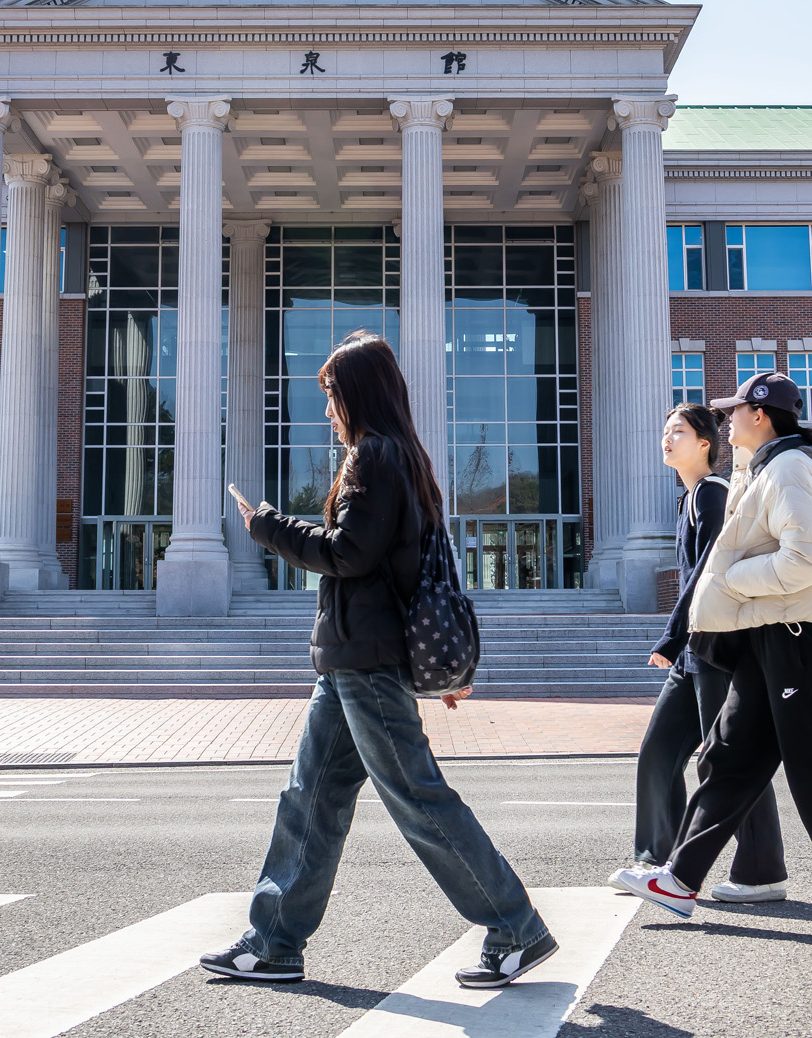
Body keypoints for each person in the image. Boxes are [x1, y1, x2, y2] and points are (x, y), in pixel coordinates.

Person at [199, 332, 557, 989]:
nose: (327, 410)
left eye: (332, 395)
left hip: (365, 663)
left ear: (358, 394)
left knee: (416, 798)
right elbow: (395, 564)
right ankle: (274, 942)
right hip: (349, 661)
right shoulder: (399, 458)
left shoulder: (375, 457)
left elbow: (347, 554)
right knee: (309, 801)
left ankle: (516, 926)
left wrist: (268, 527)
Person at [614, 372, 812, 934]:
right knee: (729, 756)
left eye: (735, 411)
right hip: (765, 633)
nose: (727, 421)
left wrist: (729, 580)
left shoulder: (790, 468)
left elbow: (805, 560)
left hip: (793, 635)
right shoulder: (768, 468)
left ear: (761, 414)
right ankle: (680, 879)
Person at [610, 402, 788, 903]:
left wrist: (671, 637)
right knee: (659, 752)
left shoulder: (712, 494)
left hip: (714, 648)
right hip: (695, 651)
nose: (666, 439)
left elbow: (708, 573)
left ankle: (761, 872)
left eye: (678, 432)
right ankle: (655, 861)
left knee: (727, 760)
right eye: (665, 431)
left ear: (705, 443)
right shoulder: (690, 497)